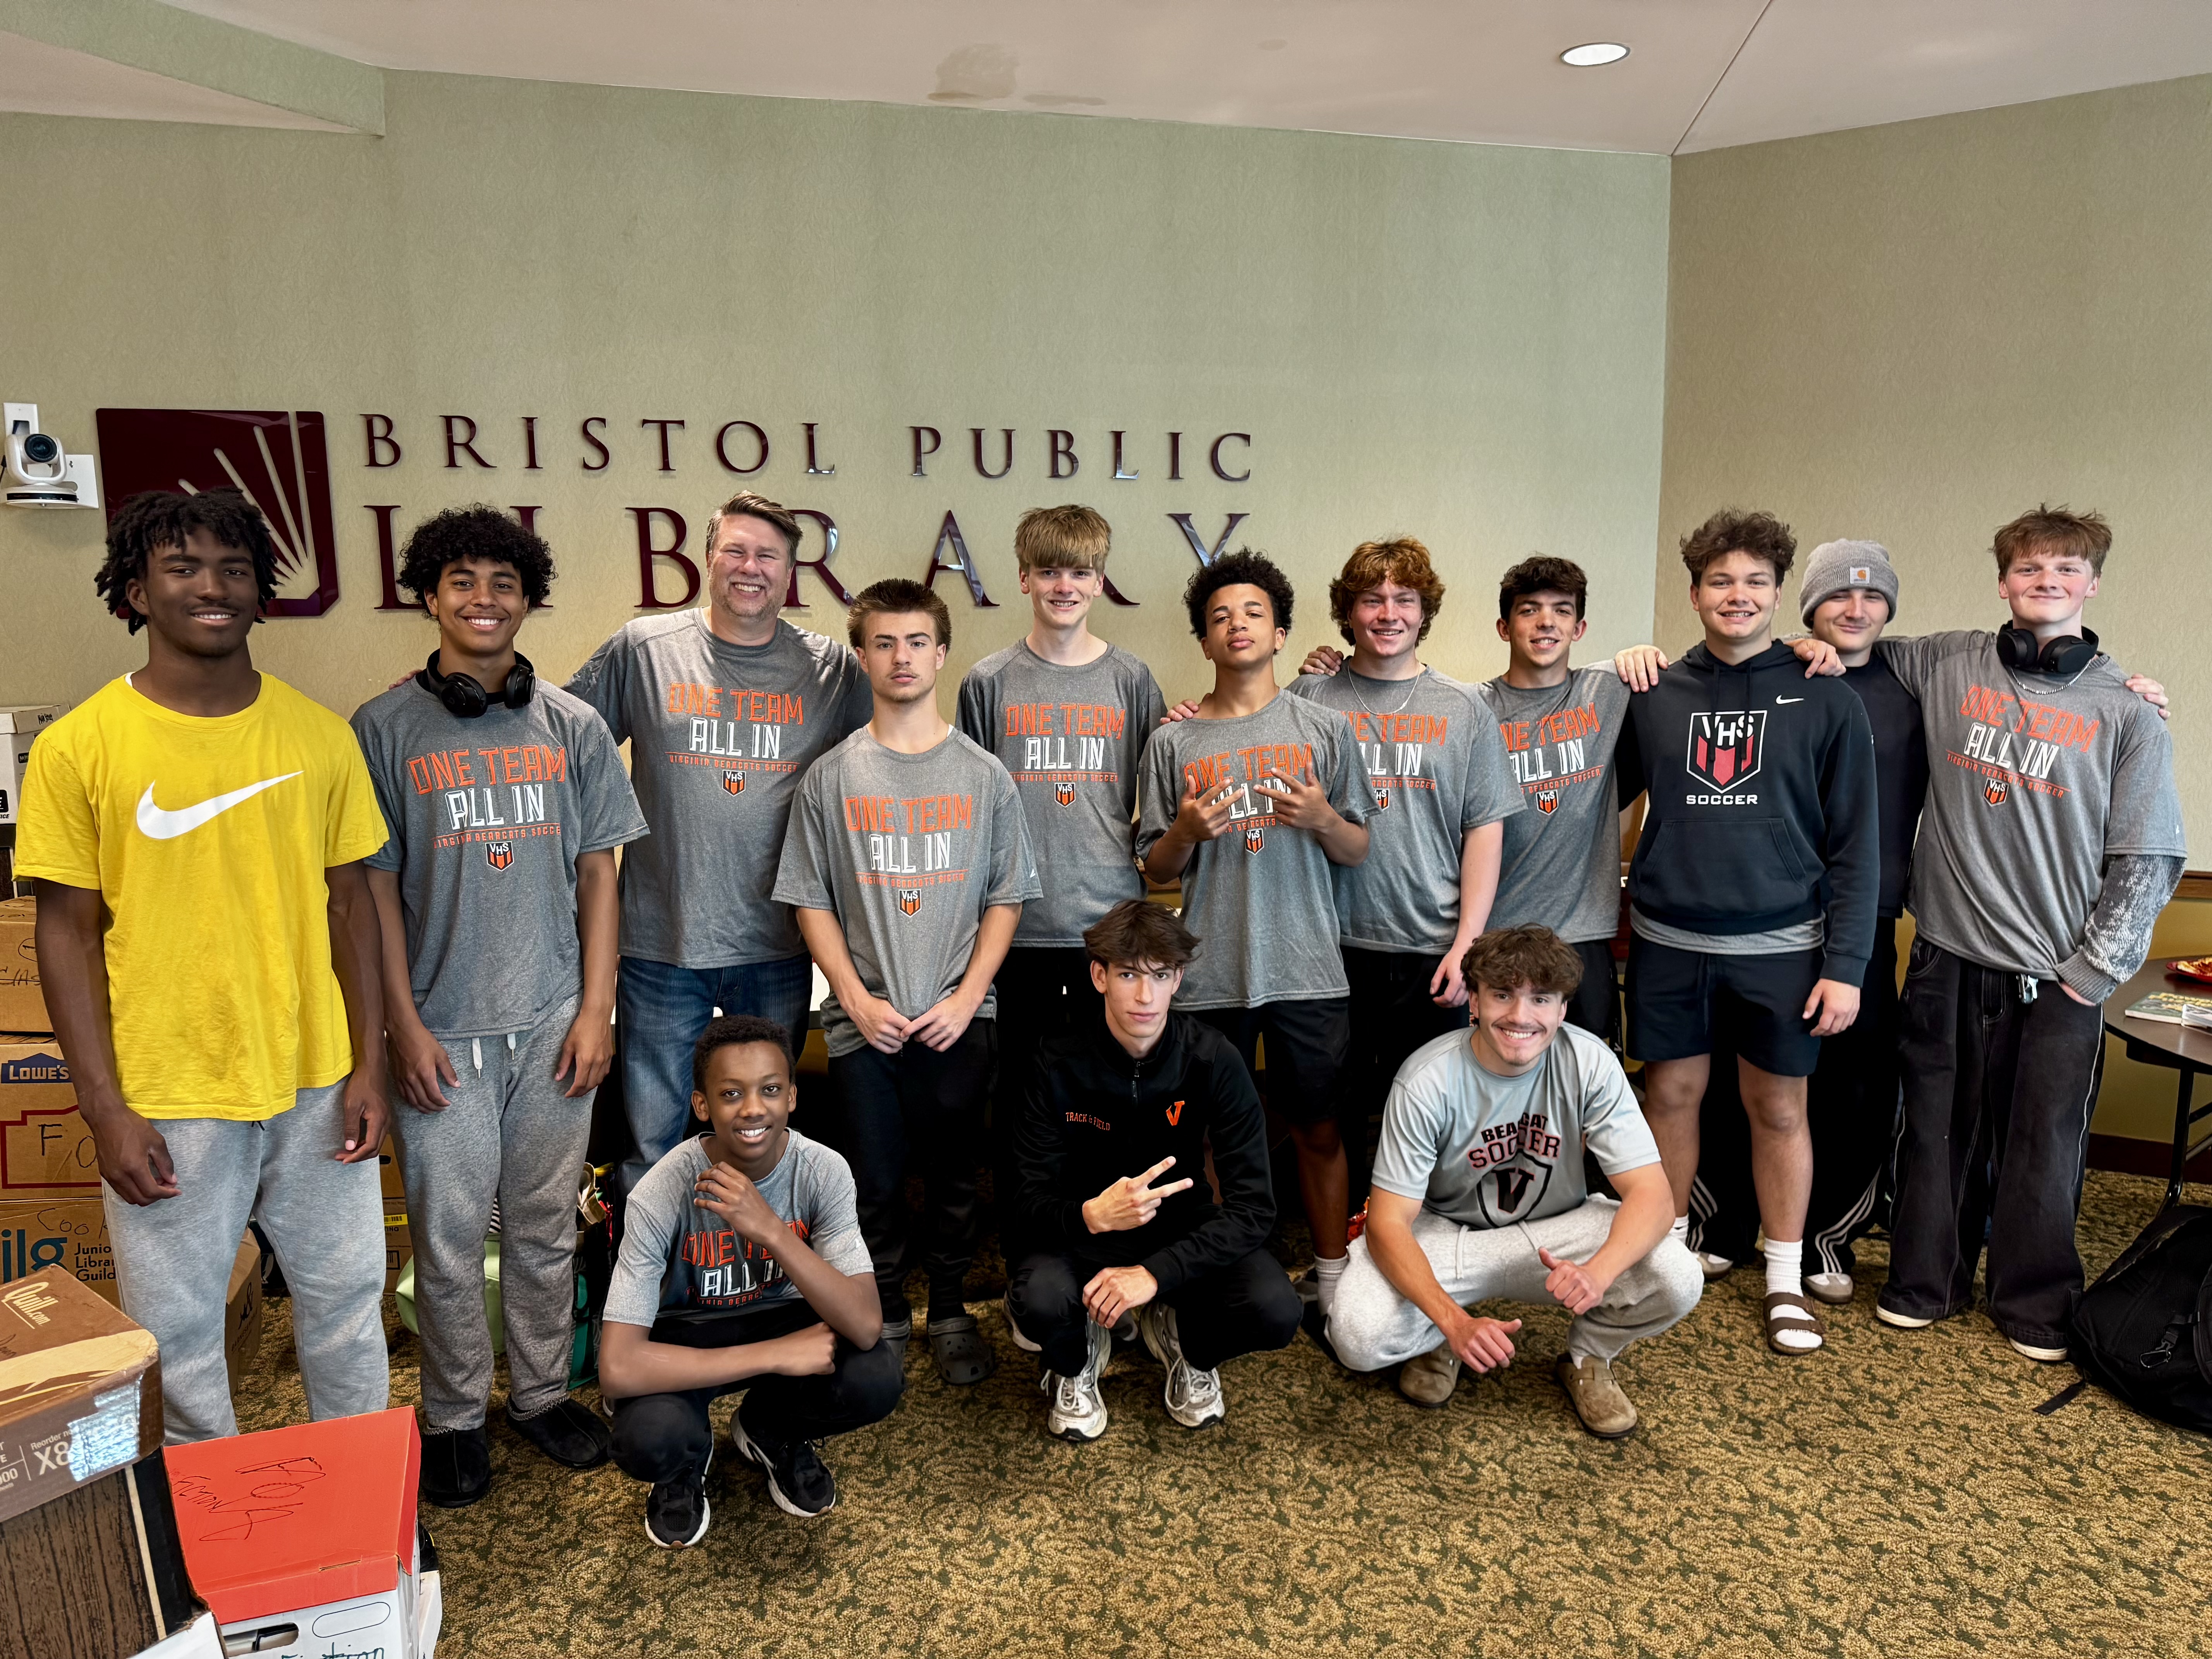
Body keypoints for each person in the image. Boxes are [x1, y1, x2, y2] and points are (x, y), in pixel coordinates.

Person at [21, 489, 391, 1443]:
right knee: (179, 1340)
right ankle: (212, 1526)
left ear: (261, 593)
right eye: (182, 567)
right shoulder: (78, 748)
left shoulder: (319, 737)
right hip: (168, 1093)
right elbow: (62, 932)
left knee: (348, 1310)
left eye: (234, 569)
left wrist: (370, 1065)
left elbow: (352, 906)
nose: (212, 588)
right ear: (135, 591)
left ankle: (361, 1501)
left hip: (315, 1081)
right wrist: (104, 1107)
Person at [351, 507, 649, 1506]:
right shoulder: (384, 728)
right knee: (443, 1232)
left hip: (554, 1024)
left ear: (528, 601)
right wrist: (403, 1023)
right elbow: (375, 890)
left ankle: (536, 1392)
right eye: (463, 581)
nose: (484, 600)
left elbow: (600, 871)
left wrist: (597, 1006)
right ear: (430, 595)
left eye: (504, 584)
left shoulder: (570, 725)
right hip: (444, 1028)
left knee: (541, 1224)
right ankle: (450, 1414)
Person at [1867, 507, 2184, 1363]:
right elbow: (1853, 643)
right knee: (1932, 1130)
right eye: (2029, 570)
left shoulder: (2128, 713)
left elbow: (2150, 860)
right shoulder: (1945, 661)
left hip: (2059, 977)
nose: (2046, 583)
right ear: (2003, 581)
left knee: (2044, 1147)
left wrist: (2094, 973)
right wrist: (1822, 645)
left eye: (2066, 571)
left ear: (2093, 585)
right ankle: (1924, 1283)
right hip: (1947, 957)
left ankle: (2035, 1303)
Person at [1613, 509, 1878, 1357]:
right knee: (1670, 1099)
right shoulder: (1650, 693)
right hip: (1668, 939)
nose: (1738, 596)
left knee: (1779, 1107)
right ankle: (1660, 1255)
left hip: (1783, 949)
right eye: (1721, 581)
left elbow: (1855, 849)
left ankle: (1784, 1276)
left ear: (1778, 596)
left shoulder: (1826, 696)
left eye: (1757, 582)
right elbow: (1595, 795)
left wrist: (1848, 966)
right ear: (1694, 593)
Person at [566, 492, 872, 1197]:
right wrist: (458, 697)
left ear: (790, 572)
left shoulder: (828, 669)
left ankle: (752, 1287)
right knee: (654, 1138)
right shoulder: (645, 650)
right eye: (734, 550)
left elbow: (892, 748)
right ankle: (661, 1297)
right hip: (659, 946)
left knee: (761, 1139)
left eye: (768, 556)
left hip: (776, 947)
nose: (749, 568)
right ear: (707, 559)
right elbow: (559, 735)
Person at [772, 579, 1040, 1384]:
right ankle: (886, 1304)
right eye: (884, 643)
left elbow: (1005, 897)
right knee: (875, 1178)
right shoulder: (832, 777)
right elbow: (809, 898)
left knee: (958, 1173)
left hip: (961, 1018)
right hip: (866, 1024)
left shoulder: (985, 776)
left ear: (941, 653)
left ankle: (953, 1305)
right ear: (862, 655)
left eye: (916, 642)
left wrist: (966, 999)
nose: (901, 657)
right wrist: (853, 998)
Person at [1327, 924, 1700, 1437]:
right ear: (1474, 1003)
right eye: (1502, 995)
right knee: (1357, 1334)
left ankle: (1589, 1357)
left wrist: (1599, 1273)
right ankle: (1440, 1339)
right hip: (1451, 1237)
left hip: (1559, 1231)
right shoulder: (1426, 1079)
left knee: (1679, 1275)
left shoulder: (1589, 1061)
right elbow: (1389, 1223)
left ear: (1562, 1010)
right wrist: (1452, 1322)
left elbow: (1654, 1197)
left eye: (1541, 999)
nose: (1521, 1017)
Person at [1136, 550, 1373, 1315]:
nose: (1236, 627)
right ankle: (1218, 1269)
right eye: (1219, 618)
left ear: (1280, 634)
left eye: (1253, 614)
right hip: (1211, 975)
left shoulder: (1325, 729)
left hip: (1310, 970)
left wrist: (1321, 819)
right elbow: (1156, 872)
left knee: (1319, 1128)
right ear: (1204, 642)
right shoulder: (1174, 742)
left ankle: (1333, 1273)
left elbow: (1359, 847)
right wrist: (1184, 831)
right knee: (1205, 1134)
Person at [1281, 538, 1522, 1201]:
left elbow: (1486, 828)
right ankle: (1352, 1249)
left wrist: (1468, 944)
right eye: (1372, 599)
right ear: (1349, 612)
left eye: (1403, 600)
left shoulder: (1464, 708)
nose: (1388, 613)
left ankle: (1425, 1242)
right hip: (1329, 946)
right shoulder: (1308, 697)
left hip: (1431, 948)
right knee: (1337, 1109)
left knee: (1427, 1108)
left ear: (1424, 612)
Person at [1008, 900, 1300, 1440]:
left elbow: (1253, 1209)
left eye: (1160, 976)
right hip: (1083, 1231)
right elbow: (1024, 1200)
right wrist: (1091, 1215)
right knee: (1039, 1302)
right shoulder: (1055, 1061)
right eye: (1128, 975)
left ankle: (1182, 1338)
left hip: (1178, 1231)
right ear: (1099, 976)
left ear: (1178, 979)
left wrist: (1157, 1274)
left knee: (1276, 1309)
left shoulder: (1213, 1058)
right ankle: (1077, 1359)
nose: (1144, 997)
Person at [600, 1016, 899, 1542]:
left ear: (793, 1098)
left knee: (875, 1375)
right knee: (650, 1439)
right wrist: (775, 1356)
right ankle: (685, 1465)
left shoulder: (823, 1171)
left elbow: (867, 1324)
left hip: (783, 1315)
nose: (754, 1108)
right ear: (703, 1107)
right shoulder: (660, 1192)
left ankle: (770, 1430)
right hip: (688, 1332)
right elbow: (618, 1368)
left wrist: (771, 1231)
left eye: (770, 1090)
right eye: (732, 1093)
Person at [955, 505, 1166, 1219]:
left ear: (1101, 582)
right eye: (1049, 571)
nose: (1064, 586)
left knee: (1114, 1094)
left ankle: (1119, 1253)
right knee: (1024, 1101)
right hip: (1018, 929)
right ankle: (1034, 1258)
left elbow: (1155, 789)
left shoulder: (1133, 681)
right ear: (1024, 578)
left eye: (1079, 572)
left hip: (1109, 929)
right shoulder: (988, 683)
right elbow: (976, 807)